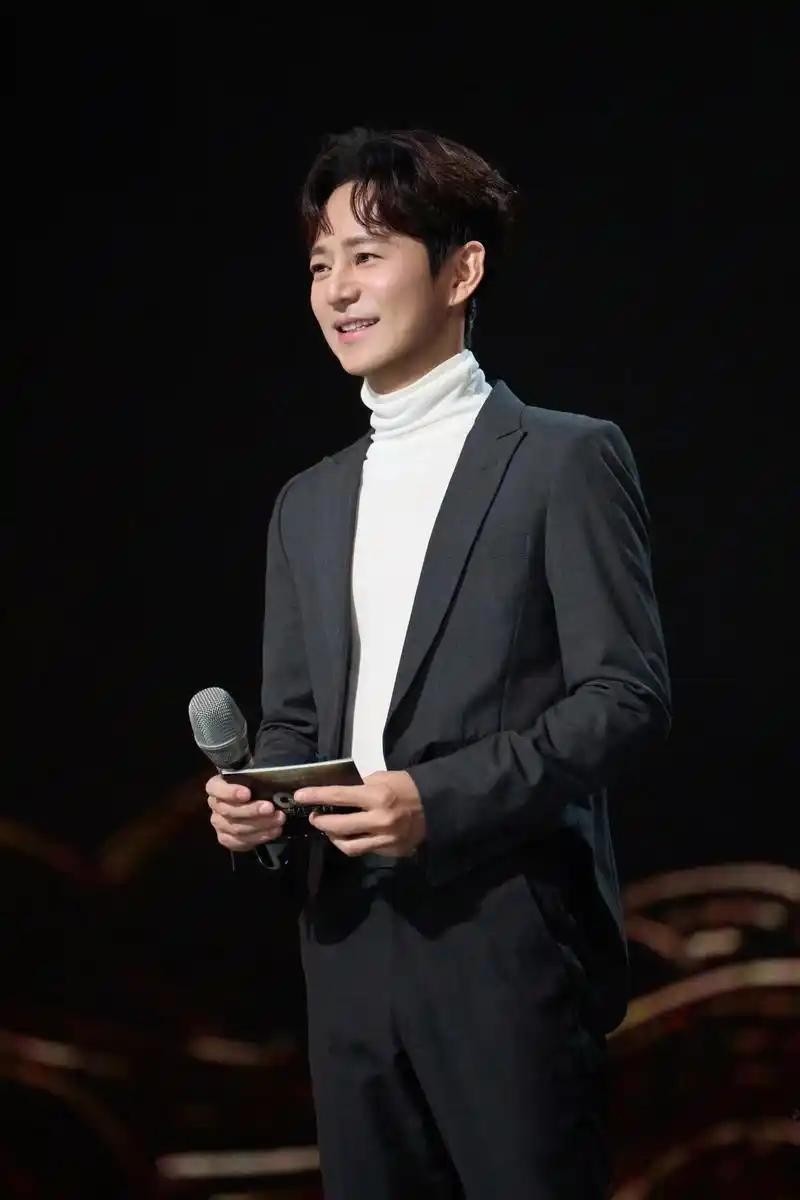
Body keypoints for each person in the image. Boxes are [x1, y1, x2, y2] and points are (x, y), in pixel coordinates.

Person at [205, 127, 671, 1199]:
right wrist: (258, 806)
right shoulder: (307, 502)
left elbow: (626, 696)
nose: (337, 289)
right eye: (320, 263)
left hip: (503, 936)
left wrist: (436, 801)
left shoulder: (562, 458)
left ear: (460, 271)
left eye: (368, 255)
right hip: (345, 941)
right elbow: (296, 721)